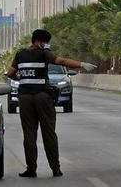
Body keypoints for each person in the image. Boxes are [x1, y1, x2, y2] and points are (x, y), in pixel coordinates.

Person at [6, 29, 97, 178]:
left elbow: (10, 73)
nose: (46, 45)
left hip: (25, 98)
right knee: (49, 133)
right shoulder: (44, 53)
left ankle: (31, 169)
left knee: (29, 134)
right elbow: (61, 61)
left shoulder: (20, 54)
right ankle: (55, 168)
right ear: (41, 41)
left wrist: (22, 77)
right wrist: (80, 64)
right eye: (46, 42)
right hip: (42, 96)